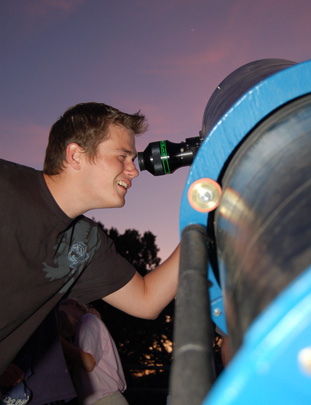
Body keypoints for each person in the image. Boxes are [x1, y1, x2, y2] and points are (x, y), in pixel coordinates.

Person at [0, 102, 180, 377]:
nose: (133, 171)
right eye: (122, 156)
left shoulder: (84, 242)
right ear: (76, 155)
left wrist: (203, 225)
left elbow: (146, 301)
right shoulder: (6, 185)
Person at [59, 299, 129, 405]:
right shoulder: (81, 328)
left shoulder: (88, 321)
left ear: (72, 303)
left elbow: (88, 363)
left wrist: (59, 340)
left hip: (105, 400)